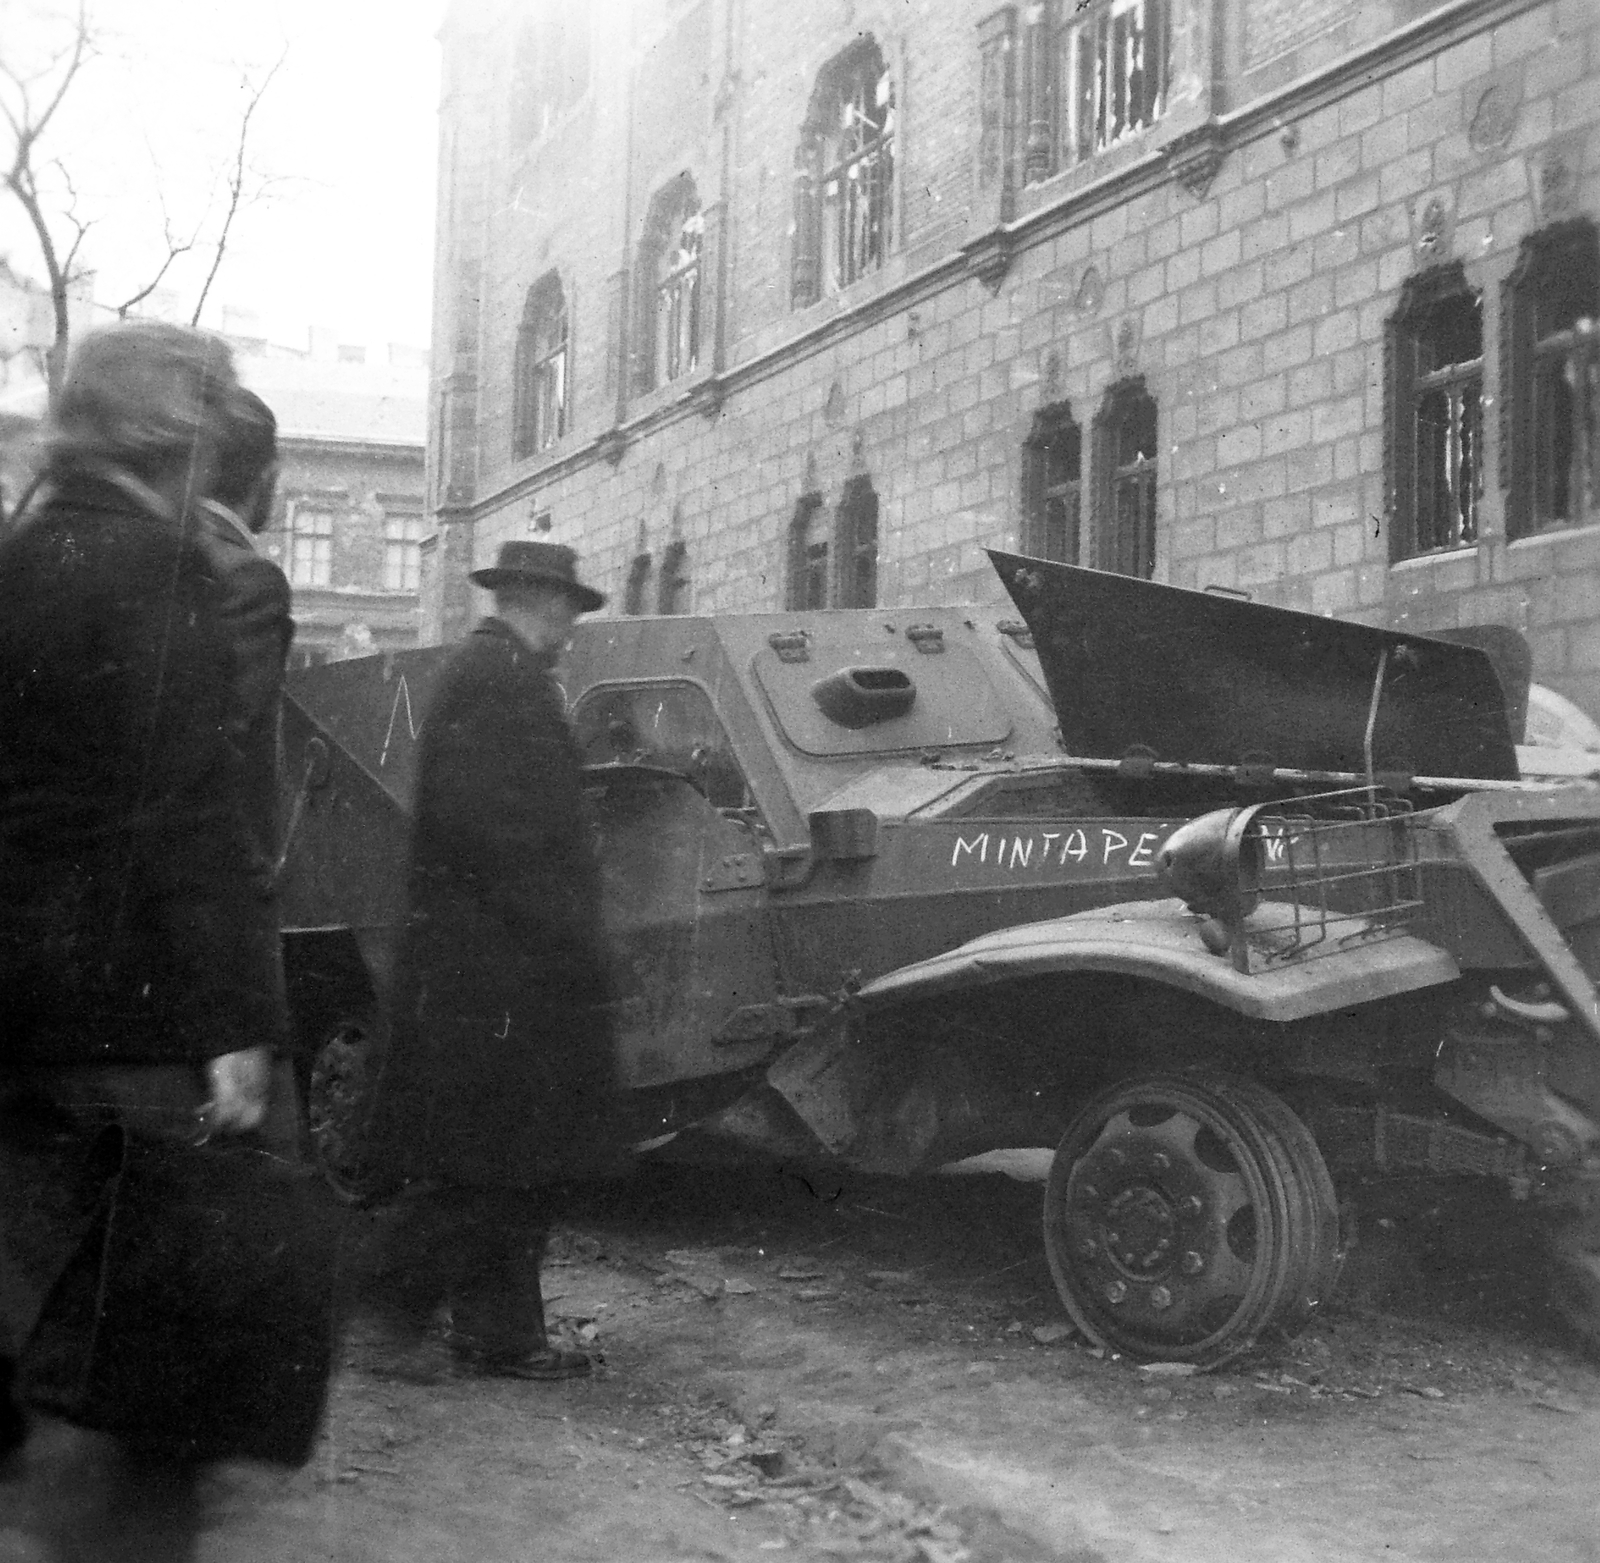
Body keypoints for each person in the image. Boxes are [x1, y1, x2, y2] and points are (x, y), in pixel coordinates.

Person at [0, 324, 303, 1556]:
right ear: (174, 445)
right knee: (146, 1366)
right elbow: (188, 804)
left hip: (14, 1013)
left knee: (33, 1314)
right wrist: (237, 1026)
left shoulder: (15, 557)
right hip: (133, 1011)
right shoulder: (155, 569)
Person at [366, 539, 618, 1380]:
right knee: (491, 1167)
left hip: (496, 966)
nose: (572, 629)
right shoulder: (500, 679)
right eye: (567, 612)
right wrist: (564, 938)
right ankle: (370, 1307)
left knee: (507, 1164)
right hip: (501, 970)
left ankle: (496, 1333)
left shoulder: (497, 675)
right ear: (533, 600)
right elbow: (498, 835)